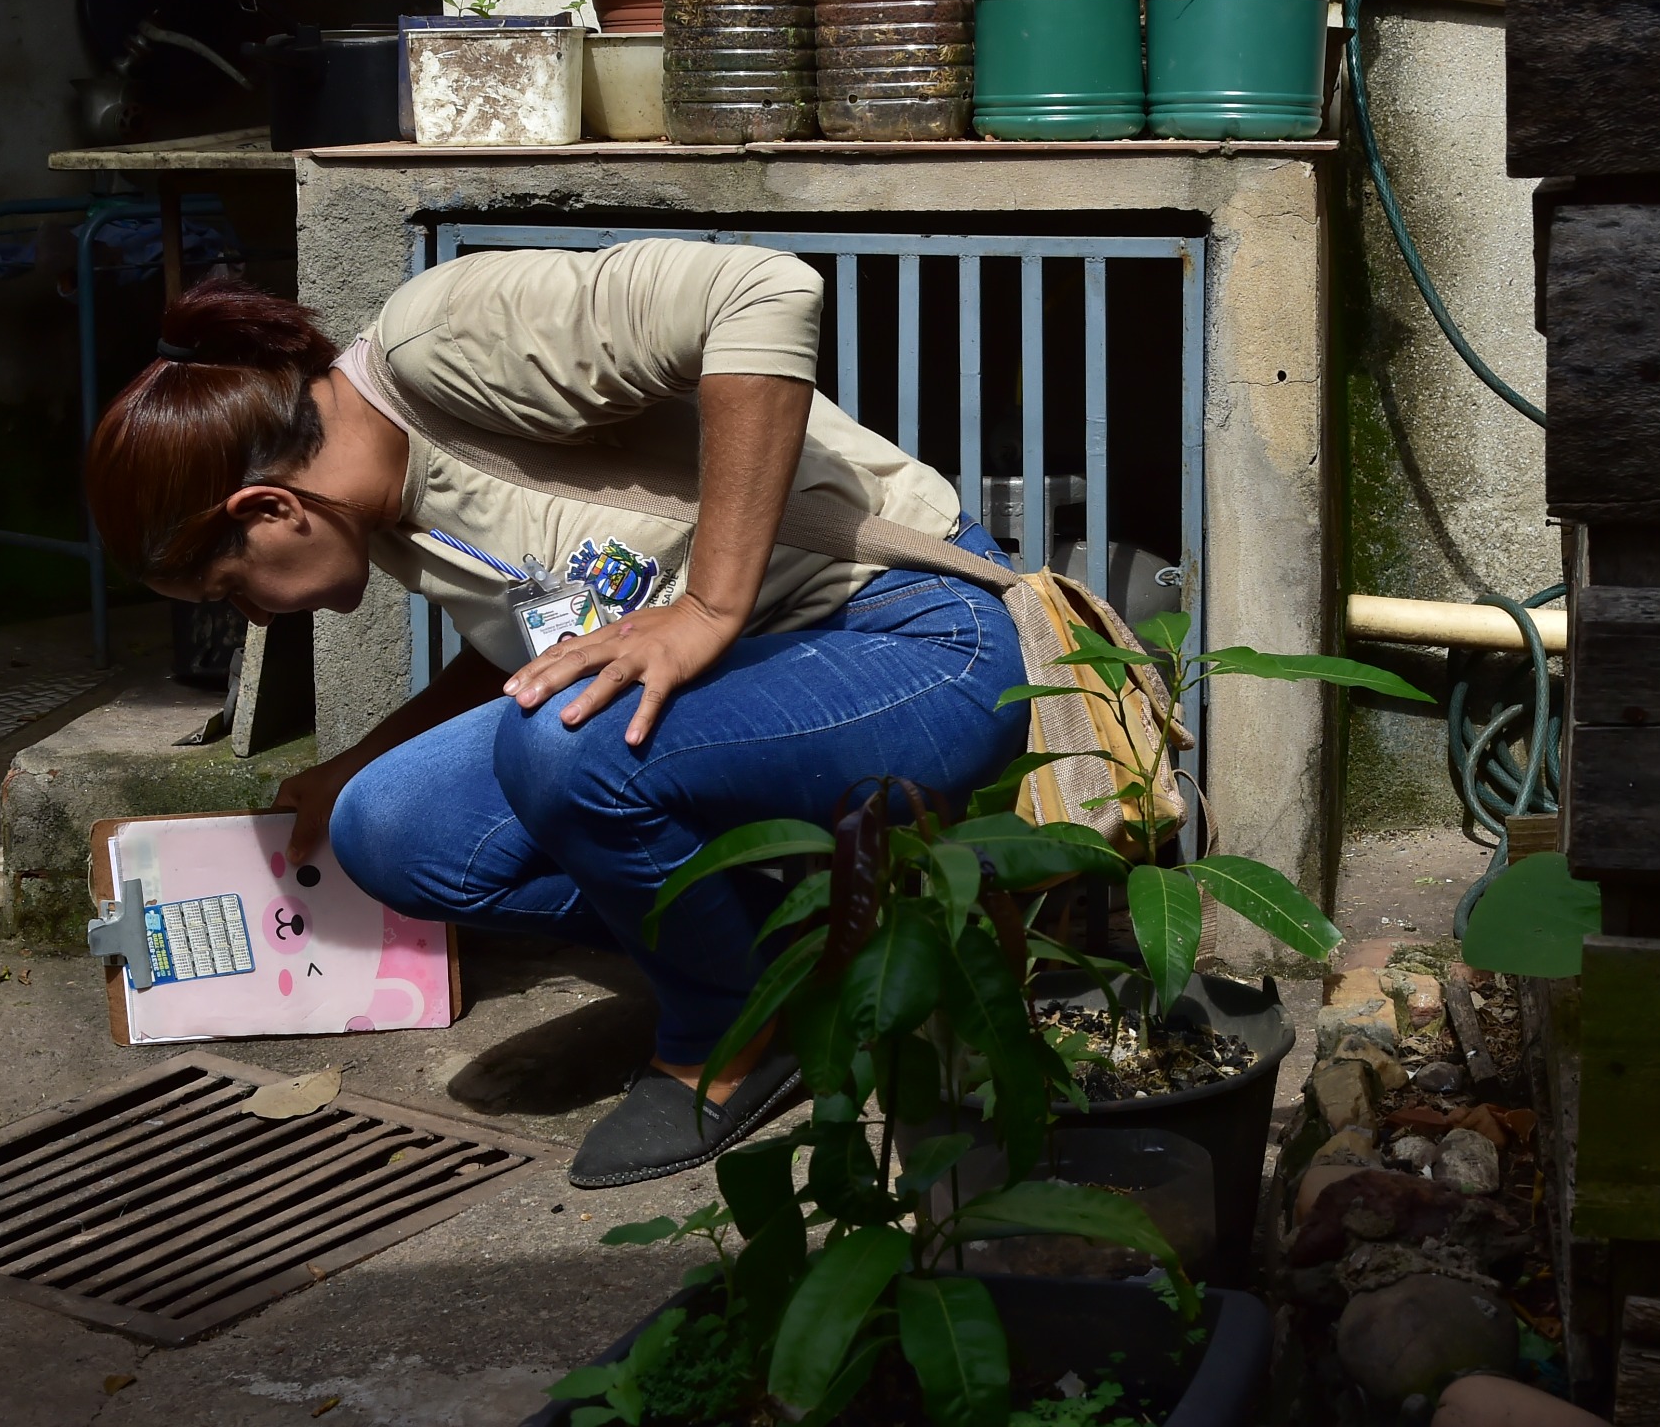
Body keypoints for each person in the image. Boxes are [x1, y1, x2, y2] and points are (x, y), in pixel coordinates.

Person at [85, 240, 1027, 1187]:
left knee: (568, 751)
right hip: (737, 690)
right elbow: (552, 646)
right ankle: (792, 953)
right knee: (391, 826)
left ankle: (727, 1037)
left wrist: (708, 608)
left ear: (269, 507)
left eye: (229, 588)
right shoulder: (391, 517)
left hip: (911, 638)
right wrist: (355, 763)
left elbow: (763, 289)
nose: (252, 616)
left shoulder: (442, 338)